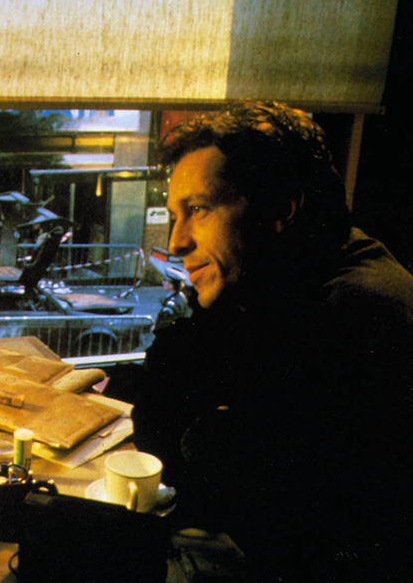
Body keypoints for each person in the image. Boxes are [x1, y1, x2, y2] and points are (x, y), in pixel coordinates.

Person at [132, 101, 413, 582]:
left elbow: (258, 507)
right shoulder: (277, 282)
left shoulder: (362, 316)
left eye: (198, 210)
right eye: (175, 215)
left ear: (281, 208)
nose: (176, 242)